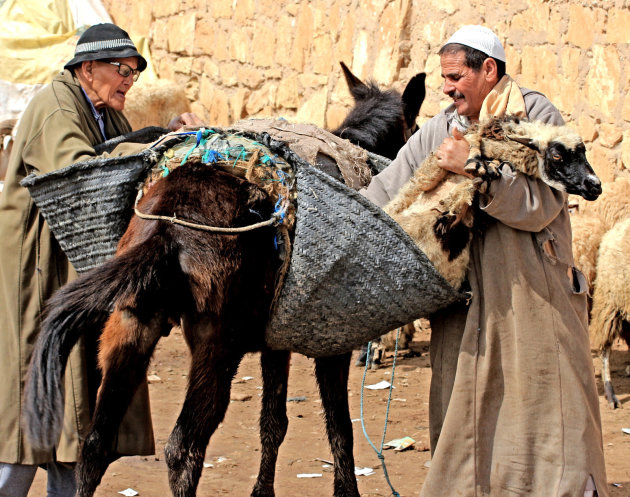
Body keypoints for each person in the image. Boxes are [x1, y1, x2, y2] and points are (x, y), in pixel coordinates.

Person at [363, 25, 608, 497]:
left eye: (456, 77)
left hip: (533, 296)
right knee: (466, 413)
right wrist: (335, 214)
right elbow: (387, 189)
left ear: (488, 70)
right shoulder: (439, 129)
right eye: (445, 79)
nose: (448, 88)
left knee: (545, 406)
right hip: (465, 306)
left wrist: (471, 167)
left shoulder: (537, 117)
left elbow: (541, 206)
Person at [0, 23, 201, 496]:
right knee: (33, 395)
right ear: (87, 69)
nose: (130, 79)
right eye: (122, 69)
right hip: (38, 272)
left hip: (76, 273)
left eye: (133, 71)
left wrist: (165, 137)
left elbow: (124, 157)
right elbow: (82, 169)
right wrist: (160, 145)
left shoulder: (107, 114)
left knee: (77, 412)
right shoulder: (56, 106)